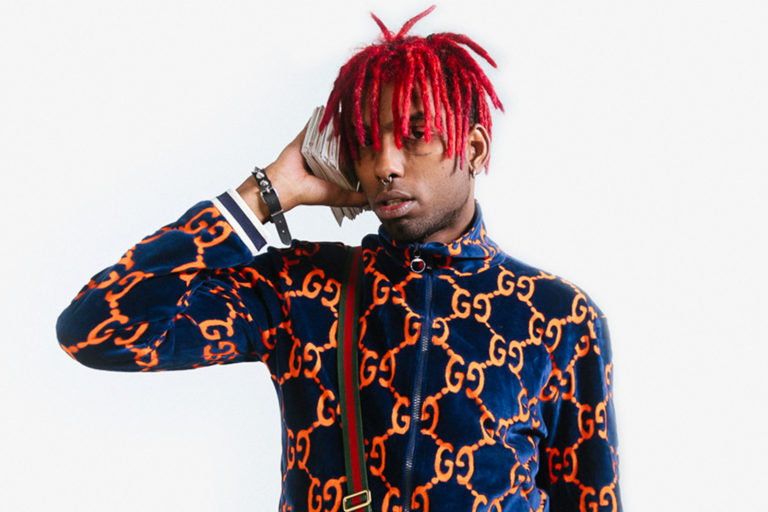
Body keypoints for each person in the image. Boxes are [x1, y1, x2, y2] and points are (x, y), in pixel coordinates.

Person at [57, 7, 621, 512]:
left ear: (473, 148)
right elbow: (97, 329)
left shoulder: (558, 317)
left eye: (414, 135)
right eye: (367, 142)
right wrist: (266, 194)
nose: (386, 165)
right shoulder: (302, 289)